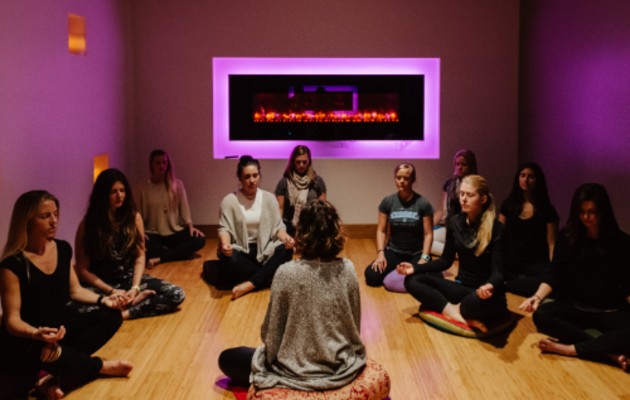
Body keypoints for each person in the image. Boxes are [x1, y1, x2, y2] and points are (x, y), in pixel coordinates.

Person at [218, 200, 366, 391]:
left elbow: (271, 335)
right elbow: (354, 323)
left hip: (293, 370)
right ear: (336, 230)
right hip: (340, 366)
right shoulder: (348, 268)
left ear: (301, 232)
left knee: (227, 358)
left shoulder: (286, 272)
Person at [0, 191, 133, 399]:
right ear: (26, 221)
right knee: (41, 351)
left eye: (55, 214)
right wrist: (36, 333)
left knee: (112, 315)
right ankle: (99, 367)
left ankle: (56, 372)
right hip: (28, 338)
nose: (54, 221)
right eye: (45, 216)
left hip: (58, 329)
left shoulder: (62, 249)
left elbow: (75, 290)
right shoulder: (12, 265)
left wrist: (104, 299)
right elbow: (12, 320)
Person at [519, 183, 630, 370]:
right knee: (543, 314)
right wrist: (537, 297)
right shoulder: (568, 238)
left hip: (609, 311)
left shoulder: (621, 242)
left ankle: (570, 349)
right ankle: (607, 352)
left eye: (592, 212)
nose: (586, 217)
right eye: (581, 212)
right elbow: (555, 274)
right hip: (576, 307)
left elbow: (628, 284)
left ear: (603, 212)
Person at [399, 175, 507, 333]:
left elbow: (499, 272)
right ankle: (453, 312)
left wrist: (489, 286)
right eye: (462, 194)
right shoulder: (455, 222)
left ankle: (463, 310)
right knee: (412, 280)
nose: (463, 199)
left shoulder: (497, 229)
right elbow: (445, 260)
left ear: (483, 199)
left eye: (469, 195)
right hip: (462, 287)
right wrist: (414, 268)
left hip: (485, 295)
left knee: (472, 304)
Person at [75, 168, 185, 320]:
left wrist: (135, 287)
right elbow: (82, 270)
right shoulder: (88, 225)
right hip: (101, 285)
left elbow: (140, 257)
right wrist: (111, 291)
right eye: (113, 191)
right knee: (77, 310)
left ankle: (124, 313)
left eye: (122, 190)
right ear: (103, 194)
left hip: (128, 280)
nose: (119, 195)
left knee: (176, 294)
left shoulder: (133, 218)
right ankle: (129, 305)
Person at [208, 156, 293, 300]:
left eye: (255, 175)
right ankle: (266, 278)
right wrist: (225, 244)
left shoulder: (269, 198)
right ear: (240, 179)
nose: (252, 180)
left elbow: (278, 227)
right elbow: (224, 229)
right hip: (242, 250)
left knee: (286, 250)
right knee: (230, 259)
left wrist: (287, 238)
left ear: (259, 175)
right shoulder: (229, 201)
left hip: (264, 250)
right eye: (247, 177)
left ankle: (249, 284)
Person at [364, 162, 434, 292]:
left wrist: (424, 258)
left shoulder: (423, 203)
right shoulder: (388, 201)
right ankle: (405, 279)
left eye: (406, 178)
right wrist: (381, 254)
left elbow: (428, 234)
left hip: (416, 253)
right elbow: (381, 230)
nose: (402, 181)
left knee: (430, 276)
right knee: (371, 276)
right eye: (398, 177)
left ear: (412, 180)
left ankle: (408, 278)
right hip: (394, 252)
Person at [136, 149, 206, 268]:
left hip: (175, 232)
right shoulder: (142, 188)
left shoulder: (177, 185)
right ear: (151, 166)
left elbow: (184, 209)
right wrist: (140, 233)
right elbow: (138, 215)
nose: (161, 166)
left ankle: (161, 258)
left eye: (164, 162)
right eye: (157, 163)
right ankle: (179, 253)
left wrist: (190, 226)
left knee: (200, 239)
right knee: (141, 244)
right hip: (154, 234)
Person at [498, 162, 559, 296]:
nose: (525, 180)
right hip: (511, 261)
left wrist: (553, 267)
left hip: (535, 263)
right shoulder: (508, 205)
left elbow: (552, 243)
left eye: (530, 176)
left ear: (538, 180)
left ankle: (512, 285)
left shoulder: (547, 210)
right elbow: (499, 236)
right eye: (522, 175)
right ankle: (514, 283)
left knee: (549, 282)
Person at [432, 149, 478, 255]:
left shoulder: (476, 185)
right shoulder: (450, 184)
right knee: (425, 240)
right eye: (457, 164)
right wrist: (427, 229)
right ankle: (455, 253)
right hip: (449, 227)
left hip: (467, 229)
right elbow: (442, 210)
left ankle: (457, 252)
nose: (460, 167)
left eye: (464, 164)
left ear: (471, 165)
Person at [275, 145, 327, 236]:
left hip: (311, 228)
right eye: (298, 162)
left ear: (309, 162)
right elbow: (280, 209)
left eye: (304, 162)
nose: (301, 165)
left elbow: (322, 209)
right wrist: (279, 230)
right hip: (289, 228)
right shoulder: (284, 182)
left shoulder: (317, 182)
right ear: (293, 162)